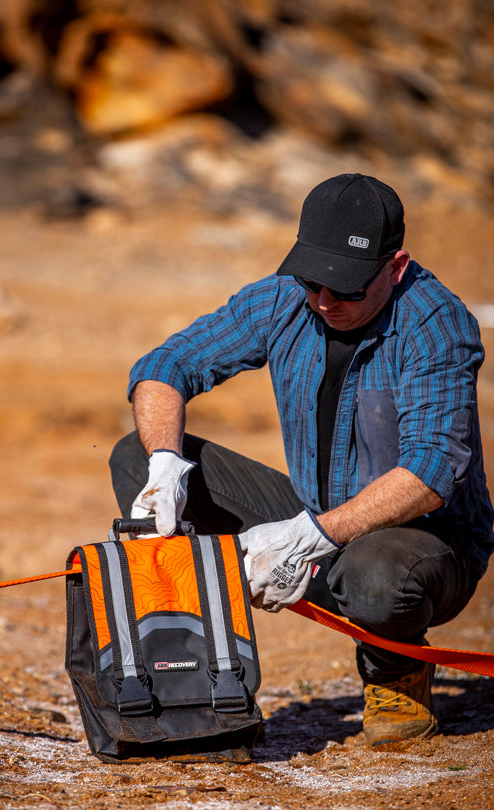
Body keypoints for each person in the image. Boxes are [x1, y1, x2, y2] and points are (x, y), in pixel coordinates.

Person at [109, 173, 494, 748]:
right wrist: (165, 463)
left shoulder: (437, 325)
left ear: (396, 266)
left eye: (346, 287)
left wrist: (307, 538)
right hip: (312, 518)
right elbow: (166, 366)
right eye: (314, 280)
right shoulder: (286, 295)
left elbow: (432, 471)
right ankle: (200, 655)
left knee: (378, 580)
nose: (324, 300)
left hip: (422, 542)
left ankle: (396, 670)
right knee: (133, 458)